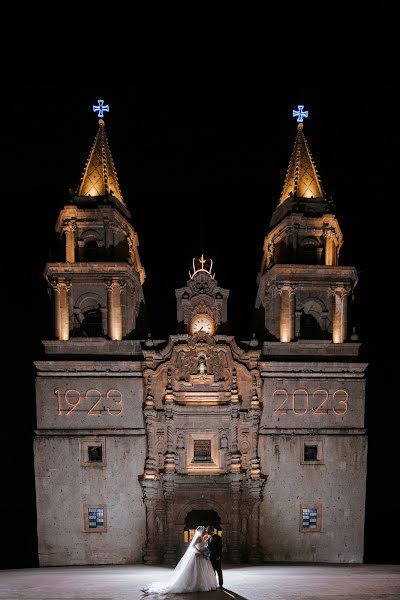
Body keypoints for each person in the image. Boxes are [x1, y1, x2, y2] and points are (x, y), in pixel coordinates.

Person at [143, 525, 217, 595]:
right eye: (204, 530)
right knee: (197, 570)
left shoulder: (203, 537)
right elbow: (192, 545)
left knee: (203, 570)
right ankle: (196, 584)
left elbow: (204, 544)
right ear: (201, 531)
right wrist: (200, 551)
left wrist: (204, 551)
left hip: (202, 556)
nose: (205, 531)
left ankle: (203, 584)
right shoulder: (198, 537)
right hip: (198, 554)